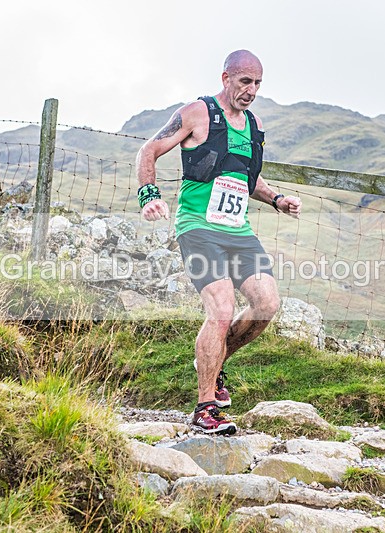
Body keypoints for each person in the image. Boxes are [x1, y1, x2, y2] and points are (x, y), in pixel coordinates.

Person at [135, 50, 301, 434]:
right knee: (222, 309)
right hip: (198, 227)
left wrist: (276, 199)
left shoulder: (254, 125)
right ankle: (205, 407)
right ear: (226, 77)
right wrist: (149, 195)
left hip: (238, 231)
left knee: (267, 303)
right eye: (246, 82)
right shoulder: (197, 113)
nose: (252, 90)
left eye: (258, 83)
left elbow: (246, 177)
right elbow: (149, 150)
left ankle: (214, 360)